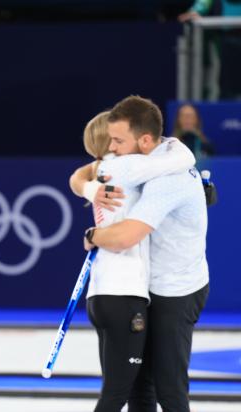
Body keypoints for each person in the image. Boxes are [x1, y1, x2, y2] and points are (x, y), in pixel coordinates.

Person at [74, 96, 209, 412]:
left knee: (169, 389)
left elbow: (126, 237)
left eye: (119, 140)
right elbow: (83, 173)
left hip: (176, 289)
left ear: (145, 141)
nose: (114, 148)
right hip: (147, 287)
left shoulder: (161, 173)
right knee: (140, 387)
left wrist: (92, 235)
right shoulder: (168, 152)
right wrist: (90, 188)